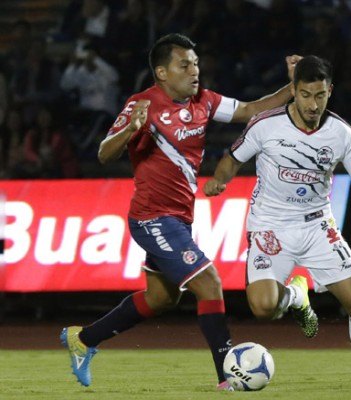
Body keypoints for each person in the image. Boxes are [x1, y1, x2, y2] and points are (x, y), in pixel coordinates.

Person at [60, 33, 300, 391]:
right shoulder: (142, 104)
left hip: (179, 220)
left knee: (161, 298)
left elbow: (250, 109)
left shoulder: (204, 101)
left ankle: (84, 339)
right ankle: (226, 375)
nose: (194, 70)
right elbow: (104, 154)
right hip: (151, 218)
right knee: (210, 284)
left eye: (196, 63)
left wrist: (293, 85)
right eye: (184, 64)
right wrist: (131, 129)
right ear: (161, 72)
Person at [204, 55, 351, 391]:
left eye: (320, 96)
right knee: (263, 307)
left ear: (330, 91)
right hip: (269, 226)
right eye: (306, 95)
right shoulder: (266, 125)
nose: (313, 104)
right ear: (293, 91)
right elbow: (232, 160)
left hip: (317, 226)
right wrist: (220, 181)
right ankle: (296, 296)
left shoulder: (341, 133)